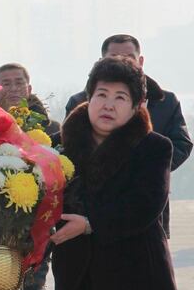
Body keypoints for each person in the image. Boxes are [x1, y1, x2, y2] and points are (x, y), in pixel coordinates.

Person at [23, 56, 192, 290]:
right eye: (102, 94)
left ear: (136, 107)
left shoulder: (154, 148)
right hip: (79, 278)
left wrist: (90, 223)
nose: (109, 105)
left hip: (137, 282)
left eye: (120, 97)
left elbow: (144, 206)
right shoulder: (59, 146)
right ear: (88, 97)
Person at [65, 33, 192, 238]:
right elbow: (68, 148)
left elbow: (182, 143)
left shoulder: (164, 101)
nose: (109, 104)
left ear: (140, 61)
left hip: (144, 204)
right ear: (101, 61)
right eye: (114, 57)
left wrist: (150, 169)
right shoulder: (80, 101)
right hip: (81, 215)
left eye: (129, 57)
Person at [0, 63, 58, 290]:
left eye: (20, 82)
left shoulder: (50, 129)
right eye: (6, 83)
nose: (14, 88)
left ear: (29, 88)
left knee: (34, 286)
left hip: (38, 222)